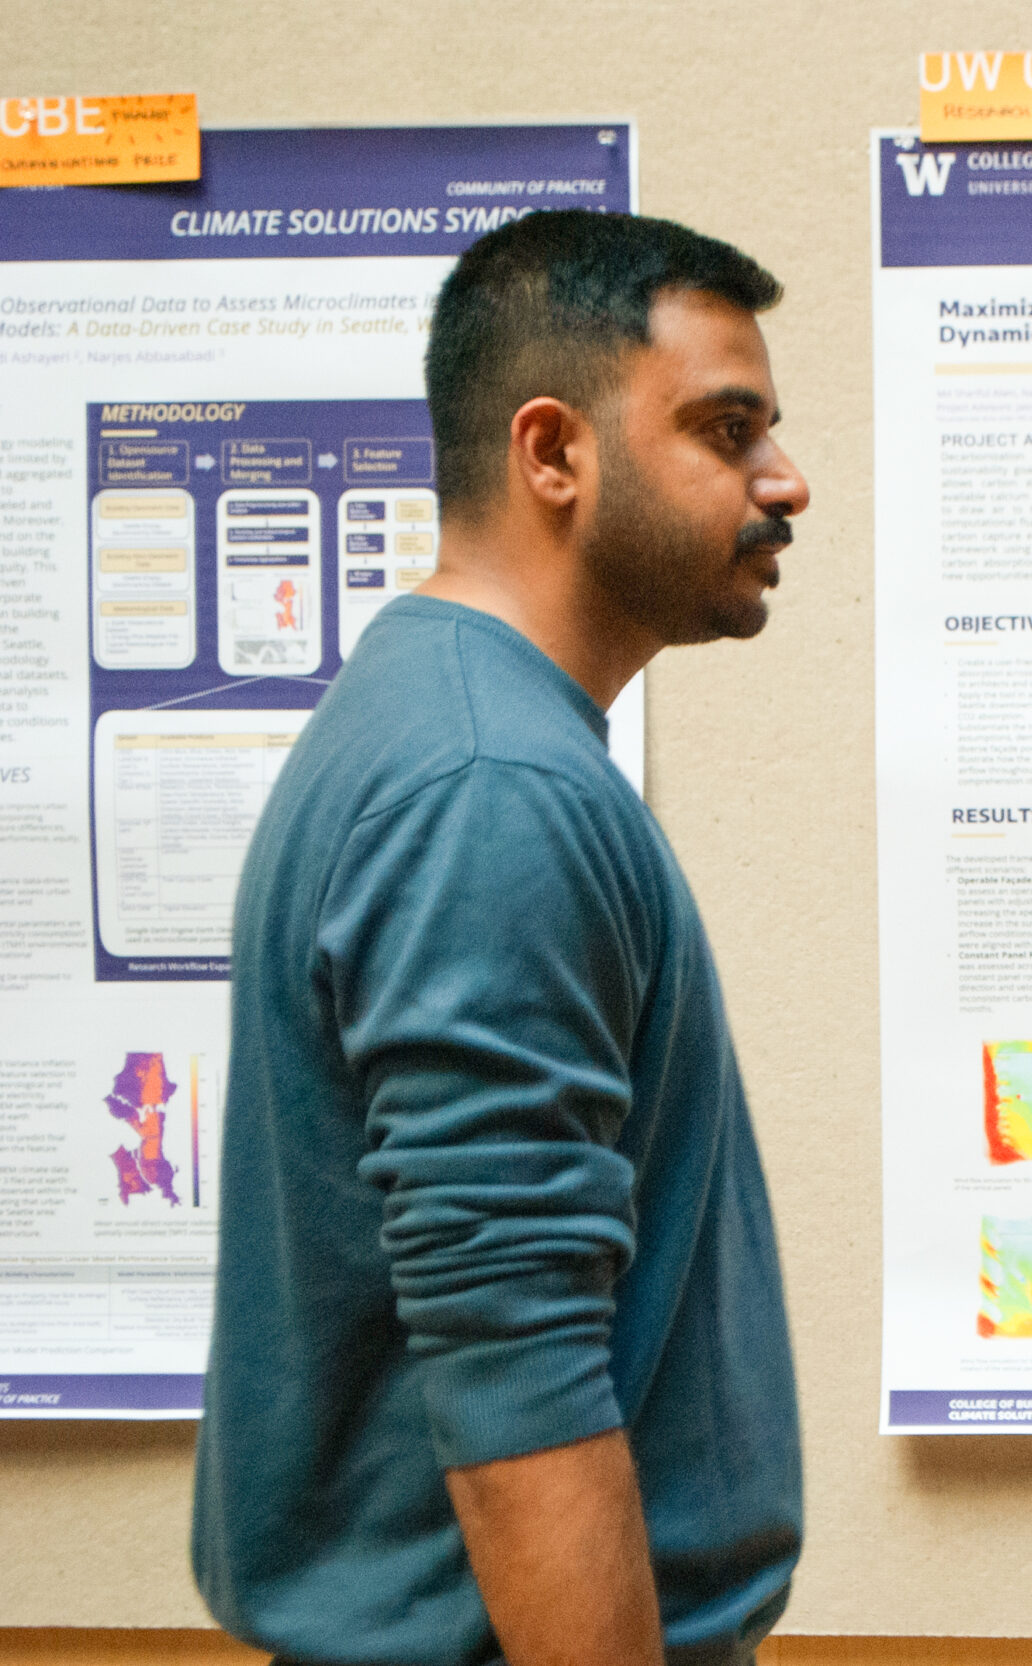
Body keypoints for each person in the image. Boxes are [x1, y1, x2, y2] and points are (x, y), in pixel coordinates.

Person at [193, 210, 811, 1666]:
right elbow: (517, 1365)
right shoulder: (491, 784)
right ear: (552, 453)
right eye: (727, 431)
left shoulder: (447, 722)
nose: (786, 480)